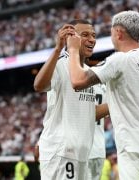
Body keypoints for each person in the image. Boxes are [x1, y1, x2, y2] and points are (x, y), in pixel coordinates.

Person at [67, 10, 139, 179]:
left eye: (111, 32)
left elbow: (77, 80)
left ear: (119, 33)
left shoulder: (120, 60)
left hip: (135, 149)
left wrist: (73, 49)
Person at [33, 19, 108, 179]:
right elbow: (39, 85)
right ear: (71, 37)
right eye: (85, 35)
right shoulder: (60, 63)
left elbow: (90, 112)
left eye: (94, 35)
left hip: (82, 151)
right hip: (61, 151)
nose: (92, 39)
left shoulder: (89, 73)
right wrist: (58, 48)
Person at [88, 83, 107, 180]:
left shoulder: (83, 82)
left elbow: (93, 113)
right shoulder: (104, 87)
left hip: (85, 149)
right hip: (99, 149)